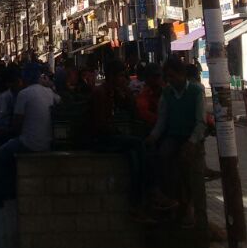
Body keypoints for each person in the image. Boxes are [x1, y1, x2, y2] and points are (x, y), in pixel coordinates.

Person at [0, 65, 59, 212]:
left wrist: (3, 129)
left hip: (30, 143)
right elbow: (59, 101)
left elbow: (16, 127)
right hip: (47, 141)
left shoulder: (24, 94)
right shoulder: (48, 92)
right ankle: (7, 189)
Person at [87, 59, 162, 220]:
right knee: (136, 144)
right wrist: (118, 131)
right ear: (111, 76)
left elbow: (133, 112)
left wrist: (126, 95)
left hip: (111, 138)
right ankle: (146, 193)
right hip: (99, 140)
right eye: (121, 76)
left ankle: (140, 199)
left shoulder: (115, 92)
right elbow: (100, 125)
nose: (123, 79)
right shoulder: (100, 94)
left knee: (135, 155)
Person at [147, 57, 207, 228]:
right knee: (162, 158)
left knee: (191, 175)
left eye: (172, 76)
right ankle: (169, 199)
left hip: (192, 140)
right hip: (173, 138)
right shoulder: (167, 93)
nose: (170, 81)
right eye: (167, 77)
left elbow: (200, 122)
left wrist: (191, 142)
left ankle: (191, 209)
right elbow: (162, 120)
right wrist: (153, 136)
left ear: (182, 75)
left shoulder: (196, 92)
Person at [133, 65, 164, 136]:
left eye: (158, 76)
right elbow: (144, 113)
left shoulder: (167, 91)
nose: (157, 79)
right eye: (154, 77)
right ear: (146, 79)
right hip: (152, 130)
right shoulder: (144, 94)